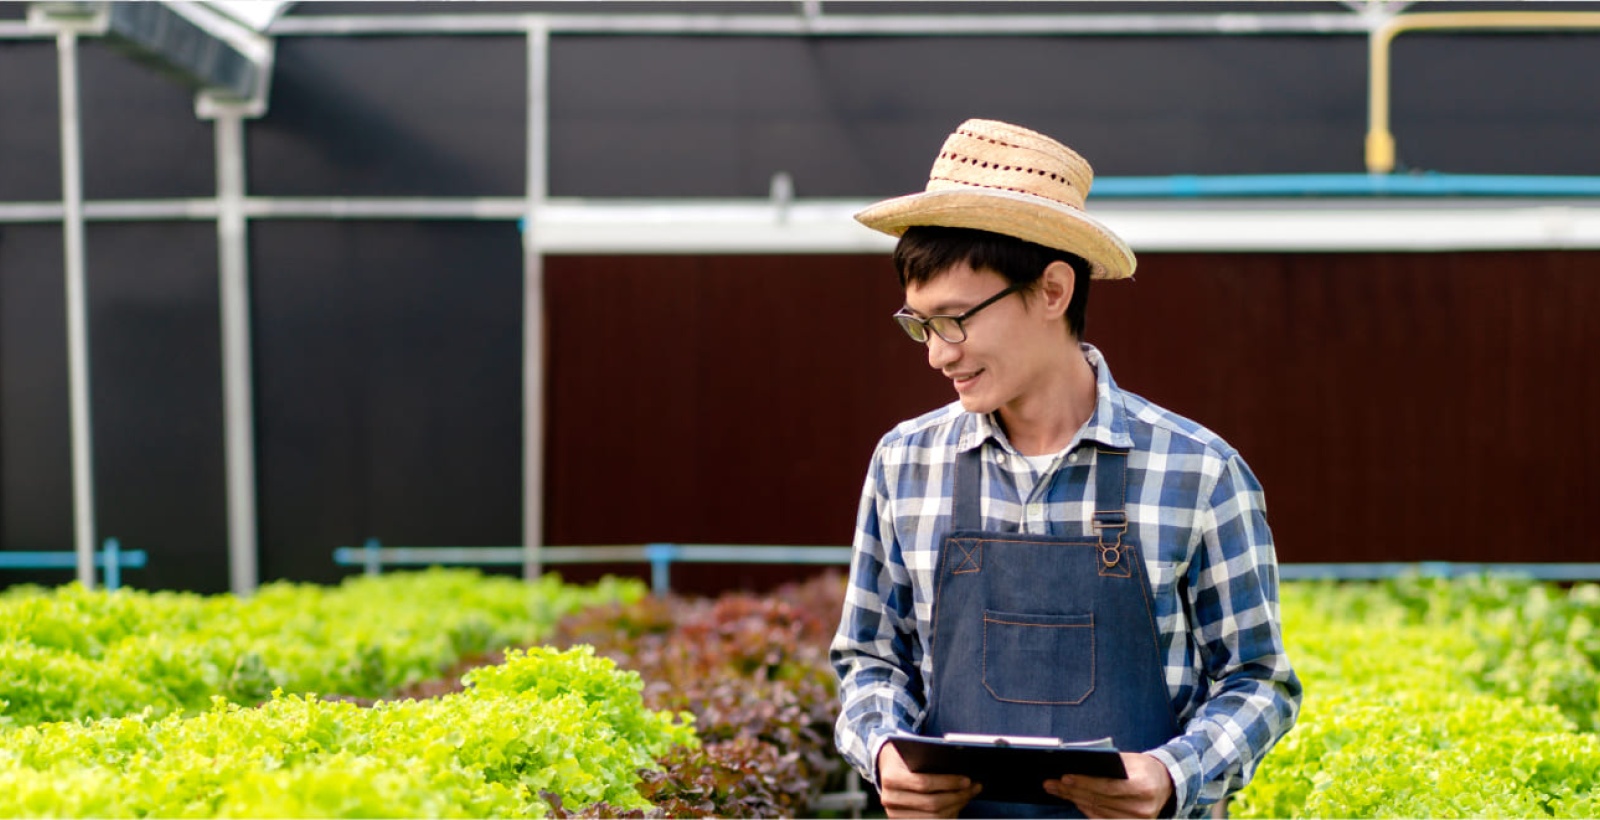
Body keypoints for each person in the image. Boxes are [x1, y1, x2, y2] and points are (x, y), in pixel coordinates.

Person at [830, 119, 1302, 819]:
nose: (938, 354)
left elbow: (1258, 681)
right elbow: (869, 661)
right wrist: (882, 751)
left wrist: (1173, 775)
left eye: (956, 320)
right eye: (921, 324)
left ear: (1053, 291)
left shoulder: (1197, 472)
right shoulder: (905, 463)